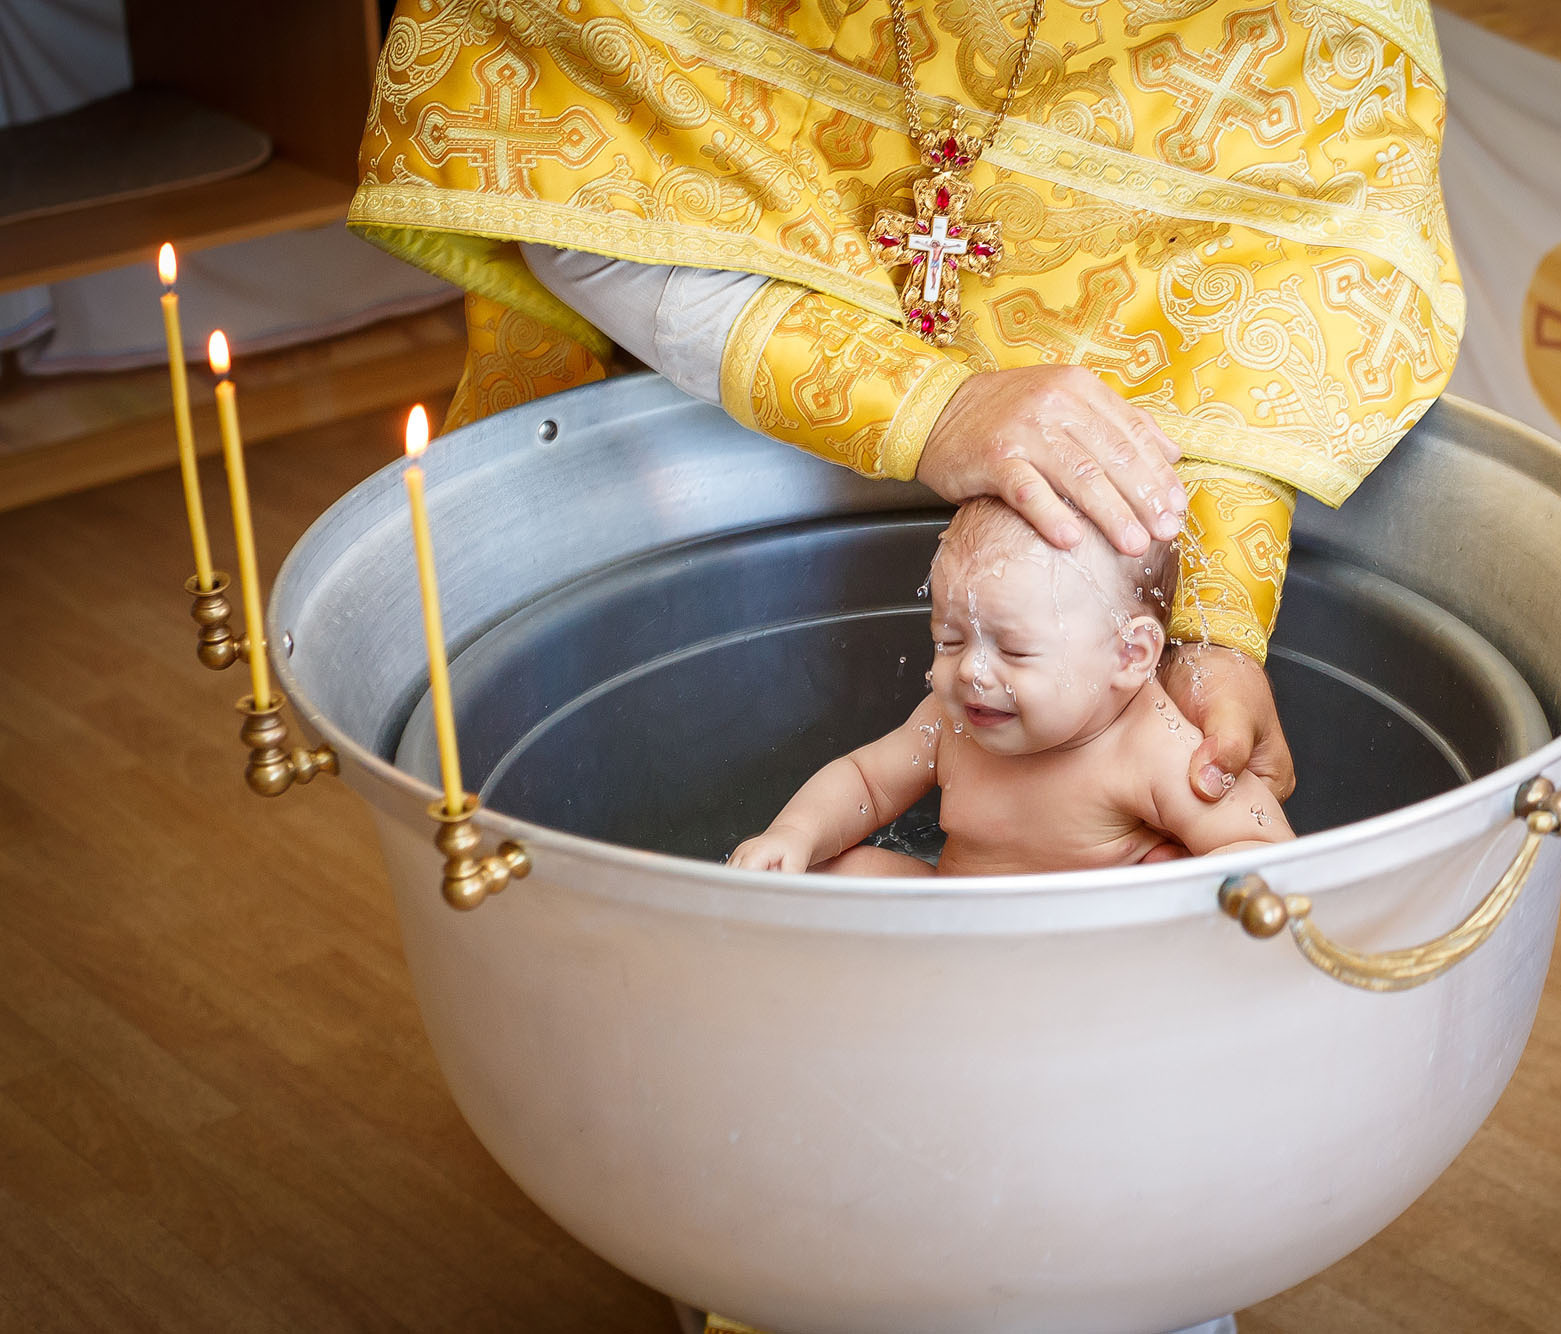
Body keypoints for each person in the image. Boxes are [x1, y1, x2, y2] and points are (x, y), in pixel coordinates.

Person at [351, 0, 1463, 819]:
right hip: (689, 452)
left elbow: (1288, 287)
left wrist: (1210, 625)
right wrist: (926, 403)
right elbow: (559, 146)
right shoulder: (952, 705)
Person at [729, 497, 1294, 875]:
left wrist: (1181, 895)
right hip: (956, 925)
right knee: (834, 873)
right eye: (950, 640)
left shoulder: (1157, 747)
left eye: (1016, 650)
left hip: (1086, 958)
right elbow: (867, 783)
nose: (972, 672)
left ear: (1130, 654)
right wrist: (795, 835)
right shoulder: (952, 722)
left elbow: (1266, 849)